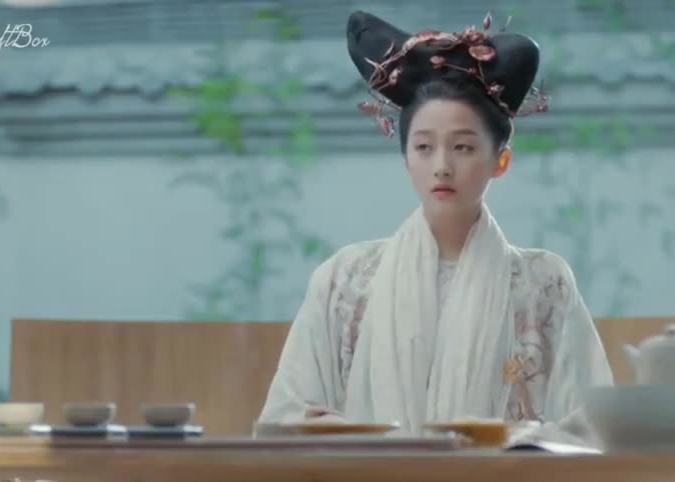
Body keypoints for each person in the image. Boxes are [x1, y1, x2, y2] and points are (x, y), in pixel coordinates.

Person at [258, 10, 614, 441]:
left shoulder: (544, 283)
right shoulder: (345, 280)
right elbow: (285, 419)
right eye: (424, 147)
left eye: (463, 147)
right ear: (405, 157)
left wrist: (514, 443)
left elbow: (592, 426)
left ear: (500, 160)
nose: (442, 166)